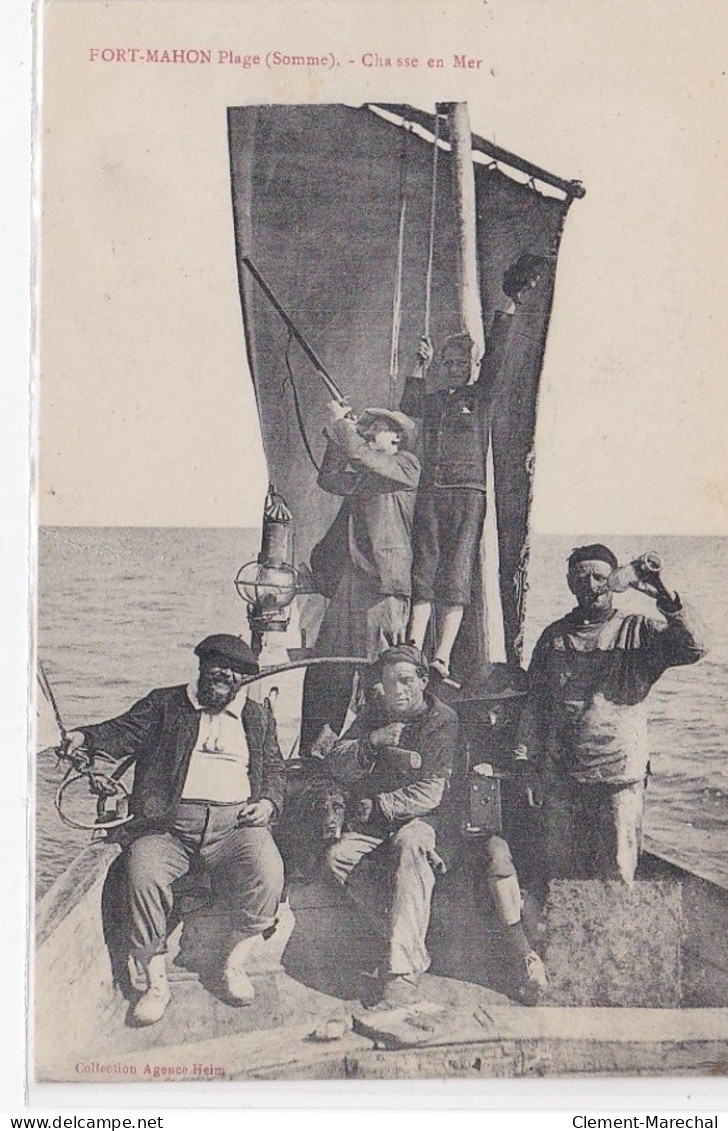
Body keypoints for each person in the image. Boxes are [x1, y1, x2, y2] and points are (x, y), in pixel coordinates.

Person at [63, 634, 286, 1026]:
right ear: (202, 668)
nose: (223, 675)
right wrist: (84, 737)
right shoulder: (165, 704)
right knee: (141, 873)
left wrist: (267, 802)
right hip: (168, 828)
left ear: (243, 679)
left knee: (269, 869)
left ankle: (233, 963)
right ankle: (156, 983)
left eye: (233, 671)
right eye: (215, 666)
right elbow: (121, 731)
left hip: (235, 829)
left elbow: (276, 770)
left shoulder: (257, 717)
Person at [513, 544, 707, 884]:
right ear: (570, 583)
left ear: (614, 581)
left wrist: (663, 593)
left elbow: (695, 647)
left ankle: (615, 937)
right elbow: (535, 705)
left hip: (619, 777)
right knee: (561, 873)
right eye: (581, 577)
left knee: (617, 871)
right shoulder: (553, 637)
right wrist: (526, 764)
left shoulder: (639, 632)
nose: (591, 584)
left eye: (600, 577)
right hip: (562, 777)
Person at [400, 254, 546, 684]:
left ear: (472, 368)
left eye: (461, 365)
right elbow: (409, 404)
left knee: (456, 575)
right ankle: (412, 644)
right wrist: (419, 366)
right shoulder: (435, 399)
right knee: (423, 571)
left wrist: (511, 305)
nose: (455, 370)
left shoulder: (481, 398)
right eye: (448, 365)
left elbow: (499, 353)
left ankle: (440, 657)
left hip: (468, 495)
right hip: (431, 492)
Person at [322, 645, 457, 1006]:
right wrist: (372, 741)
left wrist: (381, 804)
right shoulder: (374, 712)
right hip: (376, 823)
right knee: (338, 859)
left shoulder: (441, 720)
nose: (397, 690)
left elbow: (432, 791)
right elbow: (336, 760)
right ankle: (410, 942)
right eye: (388, 681)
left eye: (406, 681)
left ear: (423, 681)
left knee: (411, 844)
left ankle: (401, 971)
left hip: (426, 821)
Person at [300, 403, 420, 754]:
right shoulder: (369, 474)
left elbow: (361, 454)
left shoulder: (405, 467)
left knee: (377, 675)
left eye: (376, 428)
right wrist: (339, 437)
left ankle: (386, 752)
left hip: (381, 588)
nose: (368, 432)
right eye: (364, 428)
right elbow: (329, 477)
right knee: (330, 669)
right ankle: (319, 749)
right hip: (350, 584)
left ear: (398, 437)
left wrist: (342, 426)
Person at [452, 663, 548, 1003]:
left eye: (499, 712)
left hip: (532, 829)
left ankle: (534, 952)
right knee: (497, 858)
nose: (492, 721)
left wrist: (508, 773)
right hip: (490, 834)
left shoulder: (536, 732)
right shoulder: (465, 738)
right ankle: (524, 956)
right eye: (484, 712)